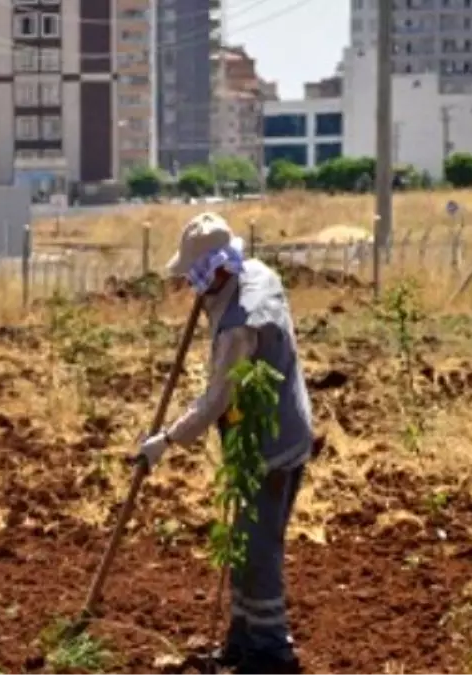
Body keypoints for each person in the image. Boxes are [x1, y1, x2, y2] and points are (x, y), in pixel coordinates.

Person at [136, 213, 313, 675]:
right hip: (268, 432)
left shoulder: (241, 323)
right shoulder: (254, 273)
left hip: (270, 443)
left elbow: (217, 399)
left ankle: (273, 651)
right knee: (243, 541)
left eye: (196, 278)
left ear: (215, 269)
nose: (191, 288)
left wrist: (167, 440)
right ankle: (241, 640)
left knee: (258, 549)